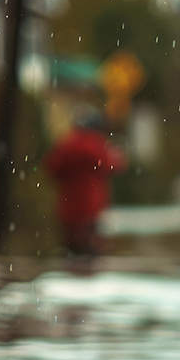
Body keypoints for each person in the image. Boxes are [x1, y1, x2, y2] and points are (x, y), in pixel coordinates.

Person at [42, 108, 128, 256]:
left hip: (67, 209)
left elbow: (51, 168)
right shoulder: (95, 144)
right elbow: (114, 165)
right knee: (91, 252)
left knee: (70, 251)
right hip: (91, 208)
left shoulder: (66, 144)